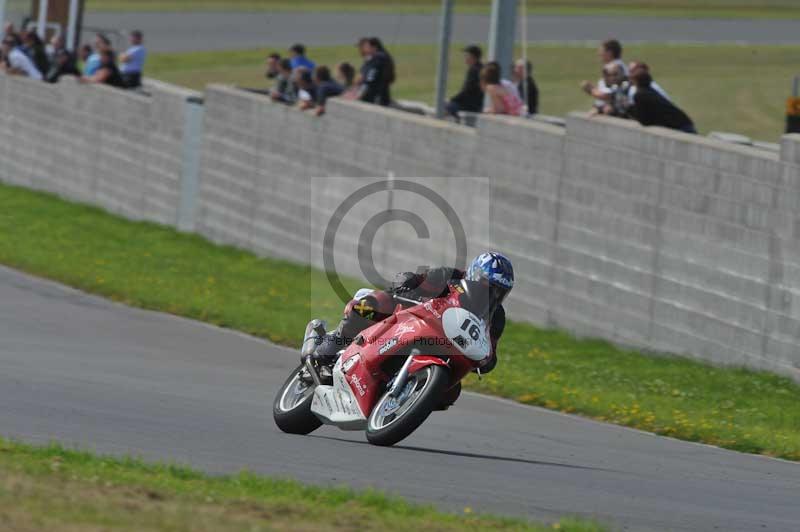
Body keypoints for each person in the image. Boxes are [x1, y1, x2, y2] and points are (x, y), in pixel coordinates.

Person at [312, 252, 514, 408]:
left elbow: (491, 349)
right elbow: (420, 280)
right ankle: (331, 344)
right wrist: (408, 281)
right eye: (488, 286)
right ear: (474, 275)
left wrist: (488, 361)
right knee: (370, 306)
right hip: (407, 317)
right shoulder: (451, 276)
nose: (491, 294)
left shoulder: (496, 317)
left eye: (499, 291)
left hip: (443, 345)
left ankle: (404, 399)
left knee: (450, 393)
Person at [628, 68, 696, 133]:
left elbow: (644, 121)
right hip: (684, 123)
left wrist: (629, 109)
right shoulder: (650, 90)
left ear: (636, 81)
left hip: (680, 127)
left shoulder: (639, 95)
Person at [446, 44, 483, 121]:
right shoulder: (480, 68)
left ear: (473, 57)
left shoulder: (474, 70)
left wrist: (452, 99)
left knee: (446, 105)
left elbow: (467, 91)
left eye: (466, 56)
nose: (465, 58)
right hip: (476, 104)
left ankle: (457, 123)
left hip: (471, 105)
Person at [356, 36, 391, 106]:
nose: (360, 50)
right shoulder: (373, 59)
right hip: (375, 95)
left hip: (375, 97)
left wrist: (359, 94)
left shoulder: (377, 59)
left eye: (363, 47)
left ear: (373, 47)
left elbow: (369, 80)